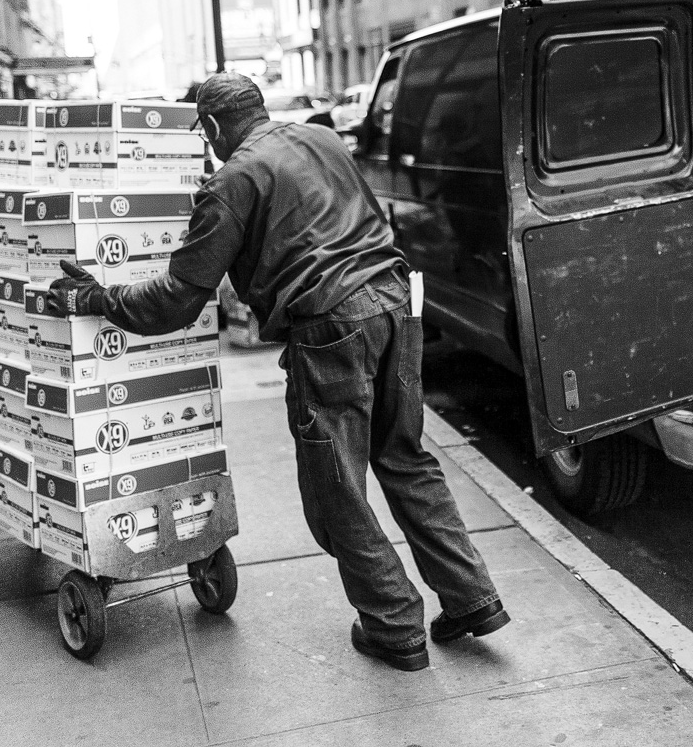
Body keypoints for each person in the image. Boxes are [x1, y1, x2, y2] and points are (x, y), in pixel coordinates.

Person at [45, 73, 507, 671]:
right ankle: (471, 598)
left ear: (211, 127)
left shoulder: (232, 181)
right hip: (395, 306)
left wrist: (97, 299)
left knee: (336, 487)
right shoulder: (323, 139)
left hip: (332, 326)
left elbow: (180, 298)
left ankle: (394, 627)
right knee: (405, 458)